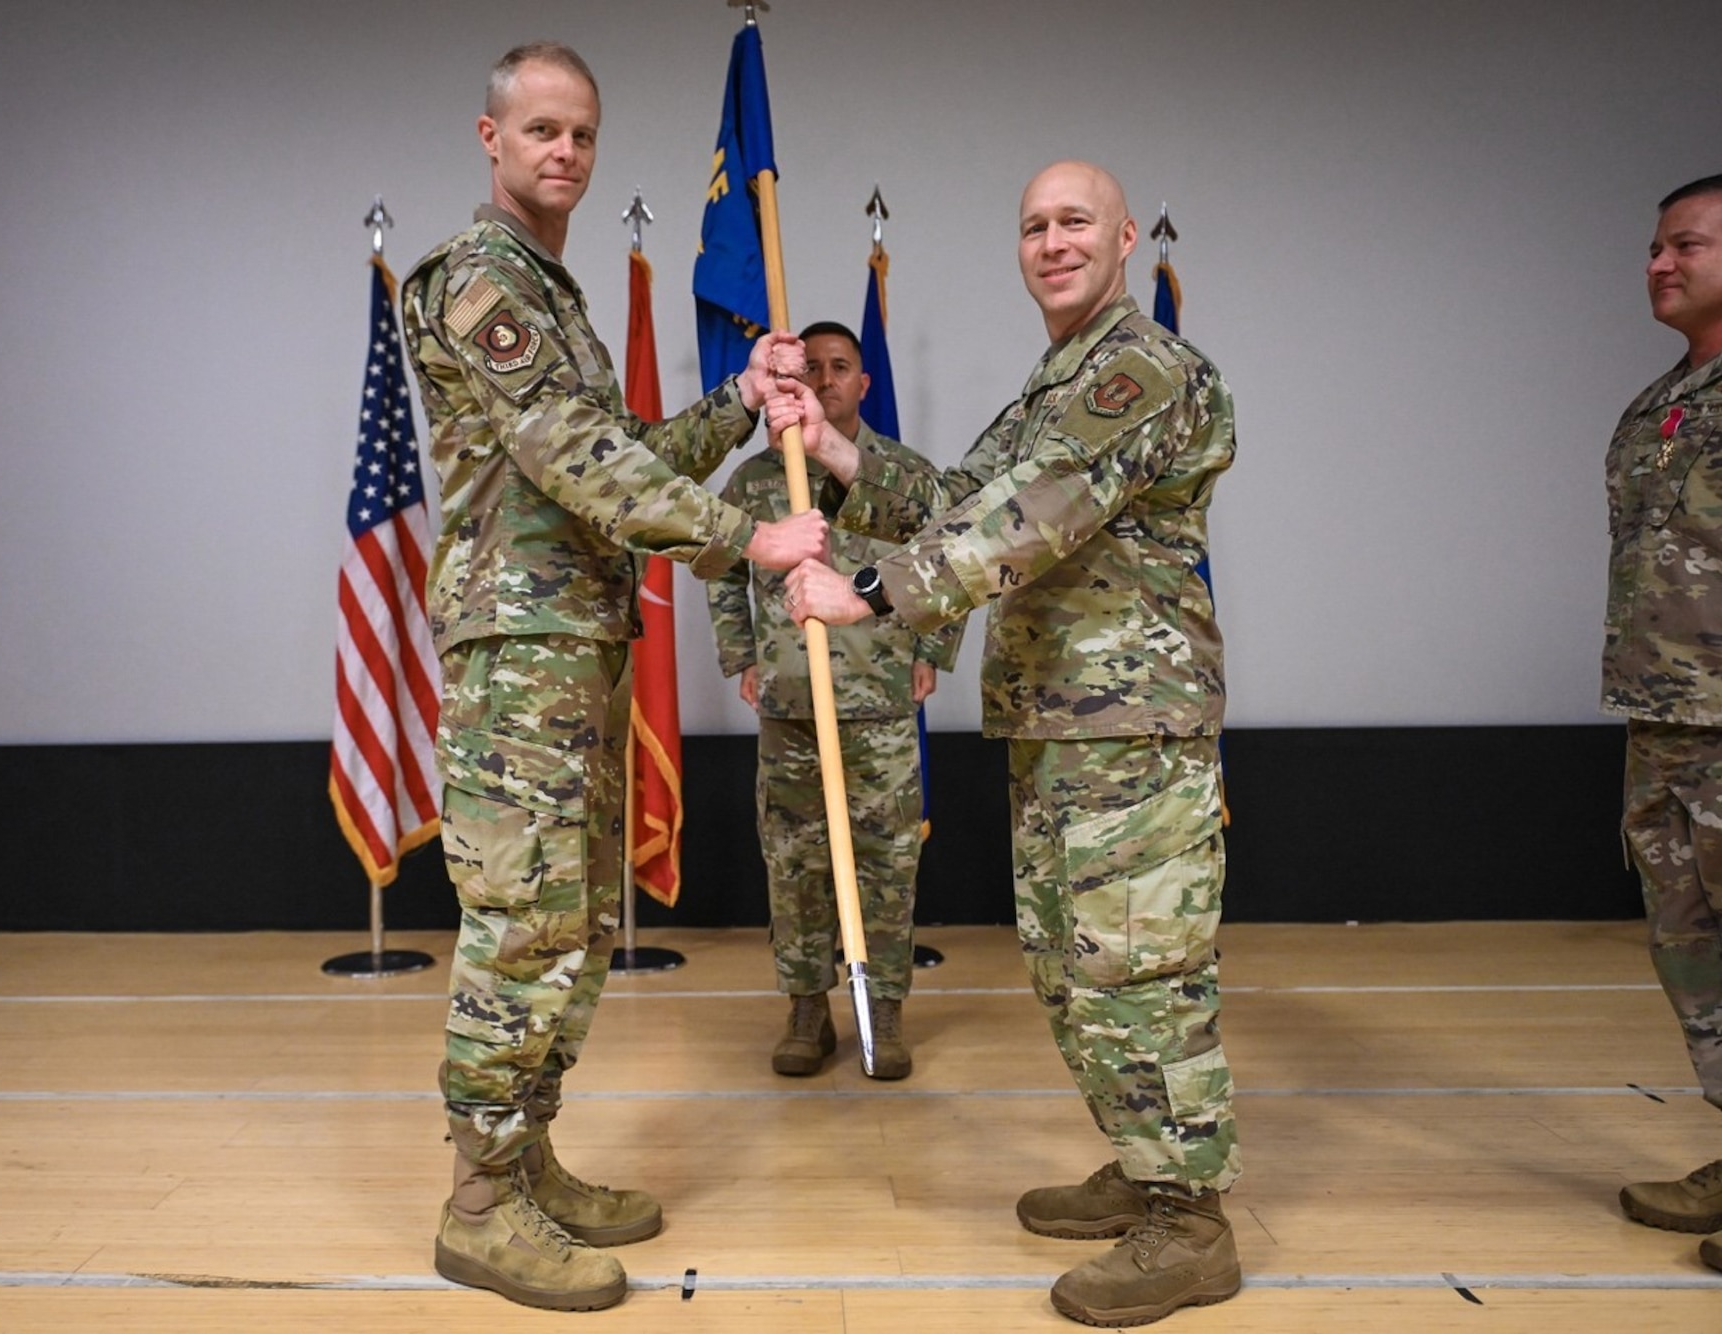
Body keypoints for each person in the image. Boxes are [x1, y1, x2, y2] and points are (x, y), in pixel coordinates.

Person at [770, 160, 1242, 1327]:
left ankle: (1190, 1219)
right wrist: (836, 452)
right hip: (1061, 722)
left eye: (1073, 220)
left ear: (1124, 236)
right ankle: (1143, 1166)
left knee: (1137, 966)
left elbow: (1029, 516)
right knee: (1075, 964)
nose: (1050, 241)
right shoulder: (1053, 382)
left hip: (1128, 727)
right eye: (1032, 225)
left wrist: (864, 593)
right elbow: (961, 493)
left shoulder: (1141, 368)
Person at [398, 42, 828, 1312]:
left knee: (574, 925)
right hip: (517, 653)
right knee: (522, 923)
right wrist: (750, 535)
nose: (564, 153)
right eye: (540, 130)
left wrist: (739, 401)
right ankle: (476, 1202)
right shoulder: (480, 279)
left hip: (574, 647)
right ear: (490, 138)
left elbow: (622, 450)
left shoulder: (551, 288)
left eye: (581, 133)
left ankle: (525, 1160)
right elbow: (580, 458)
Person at [1602, 165, 1722, 1285]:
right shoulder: (1667, 396)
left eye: (1686, 245)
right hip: (1668, 719)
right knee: (1695, 954)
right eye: (1654, 247)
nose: (1659, 263)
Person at [707, 321, 963, 1081]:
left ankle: (882, 1010)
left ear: (864, 382)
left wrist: (930, 651)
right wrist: (742, 654)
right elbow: (723, 570)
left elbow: (954, 558)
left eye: (840, 367)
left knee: (887, 864)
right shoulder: (756, 482)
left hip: (880, 702)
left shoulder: (903, 477)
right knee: (794, 864)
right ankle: (807, 1009)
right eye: (810, 366)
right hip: (790, 705)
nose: (823, 378)